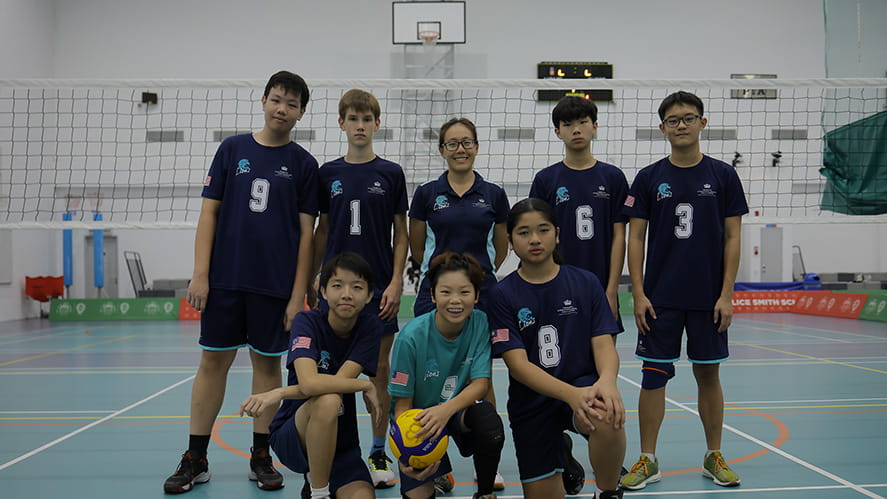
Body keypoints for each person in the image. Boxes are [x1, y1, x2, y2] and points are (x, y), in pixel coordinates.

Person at [163, 70, 318, 494]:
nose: (282, 108)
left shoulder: (304, 165)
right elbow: (209, 214)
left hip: (274, 285)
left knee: (267, 366)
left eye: (291, 104)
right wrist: (201, 273)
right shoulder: (232, 149)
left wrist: (297, 296)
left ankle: (261, 455)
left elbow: (306, 235)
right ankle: (196, 457)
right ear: (263, 101)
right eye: (276, 99)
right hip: (226, 280)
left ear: (301, 113)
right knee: (213, 363)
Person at [619, 91, 748, 490]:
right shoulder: (648, 177)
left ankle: (713, 455)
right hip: (660, 298)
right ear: (662, 128)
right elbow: (635, 238)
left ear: (702, 123)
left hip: (708, 298)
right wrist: (638, 292)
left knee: (708, 374)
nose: (681, 125)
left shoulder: (723, 175)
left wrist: (726, 294)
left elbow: (733, 237)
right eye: (673, 120)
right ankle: (648, 459)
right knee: (653, 377)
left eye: (689, 118)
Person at [487, 198, 626, 499]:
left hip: (582, 385)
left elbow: (604, 343)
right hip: (532, 402)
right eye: (524, 233)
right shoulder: (501, 295)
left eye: (543, 230)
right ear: (510, 241)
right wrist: (570, 395)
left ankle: (607, 492)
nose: (535, 239)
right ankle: (562, 453)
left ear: (557, 234)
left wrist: (607, 382)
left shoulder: (586, 283)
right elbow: (518, 365)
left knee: (607, 412)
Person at [528, 95, 630, 493]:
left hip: (598, 293)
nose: (576, 129)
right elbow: (536, 233)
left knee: (601, 374)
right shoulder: (547, 179)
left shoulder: (613, 177)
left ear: (594, 126)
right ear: (557, 132)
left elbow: (619, 235)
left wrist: (611, 288)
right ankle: (558, 448)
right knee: (552, 368)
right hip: (554, 292)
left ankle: (607, 455)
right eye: (568, 124)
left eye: (583, 121)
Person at [310, 88, 408, 488]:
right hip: (334, 289)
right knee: (329, 371)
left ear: (377, 124)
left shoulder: (391, 173)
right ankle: (330, 451)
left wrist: (397, 281)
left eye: (367, 119)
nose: (360, 126)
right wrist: (313, 277)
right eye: (353, 119)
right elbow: (322, 230)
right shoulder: (327, 173)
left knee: (379, 371)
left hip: (378, 288)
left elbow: (401, 233)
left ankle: (378, 451)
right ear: (341, 123)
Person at [408, 117, 509, 491]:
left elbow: (501, 247)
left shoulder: (494, 194)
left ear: (477, 147)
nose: (460, 149)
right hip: (434, 294)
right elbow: (417, 246)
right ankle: (434, 459)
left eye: (467, 142)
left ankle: (487, 461)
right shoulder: (426, 194)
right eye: (452, 143)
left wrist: (474, 279)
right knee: (428, 377)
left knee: (483, 376)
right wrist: (442, 280)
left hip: (482, 295)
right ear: (442, 150)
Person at [240, 252, 383, 499]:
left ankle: (319, 481)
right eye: (337, 286)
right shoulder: (307, 322)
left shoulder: (369, 328)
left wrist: (279, 392)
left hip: (342, 445)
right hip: (295, 434)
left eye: (357, 287)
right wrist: (364, 385)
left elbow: (334, 382)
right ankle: (318, 492)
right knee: (328, 400)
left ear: (369, 295)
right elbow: (310, 384)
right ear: (323, 291)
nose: (347, 294)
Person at [388, 252, 505, 499]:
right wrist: (405, 455)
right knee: (418, 492)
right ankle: (438, 468)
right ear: (432, 295)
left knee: (489, 422)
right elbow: (402, 406)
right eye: (445, 292)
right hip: (420, 421)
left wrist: (444, 411)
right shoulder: (410, 338)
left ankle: (485, 493)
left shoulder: (480, 323)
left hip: (456, 412)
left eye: (464, 292)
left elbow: (481, 384)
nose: (455, 300)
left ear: (476, 295)